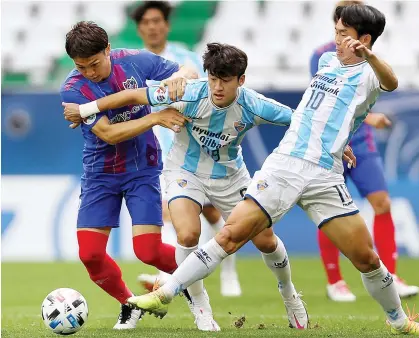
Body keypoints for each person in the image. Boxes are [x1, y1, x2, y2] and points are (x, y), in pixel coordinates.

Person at [125, 5, 419, 336]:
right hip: (285, 164)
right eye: (335, 32)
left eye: (343, 35)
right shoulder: (326, 62)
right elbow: (310, 114)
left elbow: (391, 82)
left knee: (366, 258)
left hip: (325, 174)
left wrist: (368, 57)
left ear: (364, 40)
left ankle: (399, 321)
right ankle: (165, 293)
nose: (335, 40)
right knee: (231, 235)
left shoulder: (370, 75)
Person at [64, 43, 361, 331]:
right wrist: (87, 108)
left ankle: (289, 294)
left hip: (230, 177)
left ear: (240, 81)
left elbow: (301, 122)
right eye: (213, 78)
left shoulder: (254, 104)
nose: (217, 87)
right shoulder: (190, 94)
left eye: (225, 80)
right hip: (184, 172)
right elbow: (132, 96)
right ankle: (202, 309)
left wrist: (337, 145)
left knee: (266, 242)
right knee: (187, 233)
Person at [59, 21, 197, 330]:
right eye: (81, 67)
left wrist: (178, 78)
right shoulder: (72, 89)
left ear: (108, 49)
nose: (89, 73)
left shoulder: (134, 60)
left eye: (94, 64)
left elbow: (187, 70)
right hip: (99, 174)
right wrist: (156, 117)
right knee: (91, 255)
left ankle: (195, 278)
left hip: (141, 168)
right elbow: (108, 134)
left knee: (147, 250)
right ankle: (129, 303)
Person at [309, 0, 419, 302]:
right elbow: (326, 101)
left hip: (361, 143)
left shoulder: (370, 58)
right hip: (332, 144)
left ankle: (393, 276)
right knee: (328, 212)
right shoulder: (323, 57)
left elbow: (386, 84)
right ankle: (335, 281)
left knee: (382, 203)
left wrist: (369, 120)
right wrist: (372, 118)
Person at [130, 0, 242, 299]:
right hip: (154, 151)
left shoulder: (185, 57)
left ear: (166, 24)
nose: (152, 27)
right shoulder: (133, 63)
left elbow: (210, 93)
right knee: (169, 213)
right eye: (146, 22)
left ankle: (229, 272)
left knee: (214, 213)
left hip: (192, 145)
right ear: (139, 28)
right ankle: (165, 279)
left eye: (157, 21)